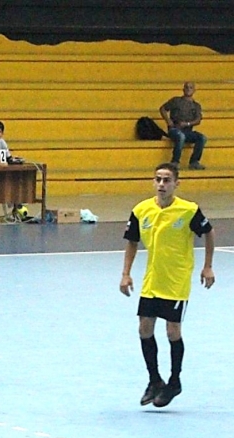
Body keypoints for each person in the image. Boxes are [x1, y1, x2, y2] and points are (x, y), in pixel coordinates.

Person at [119, 162, 215, 408]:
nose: (161, 184)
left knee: (173, 332)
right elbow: (132, 241)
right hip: (152, 280)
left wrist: (207, 266)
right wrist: (126, 273)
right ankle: (154, 380)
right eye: (158, 179)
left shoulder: (188, 210)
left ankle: (175, 382)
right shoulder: (141, 210)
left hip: (176, 281)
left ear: (176, 183)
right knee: (144, 329)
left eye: (167, 180)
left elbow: (209, 233)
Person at [159, 82, 207, 170]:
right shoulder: (176, 100)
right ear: (183, 89)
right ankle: (175, 161)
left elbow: (198, 119)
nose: (188, 89)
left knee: (202, 138)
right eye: (187, 87)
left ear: (194, 90)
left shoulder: (196, 106)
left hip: (188, 131)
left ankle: (194, 162)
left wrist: (187, 124)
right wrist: (168, 121)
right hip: (174, 129)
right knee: (181, 136)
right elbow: (162, 109)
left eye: (191, 87)